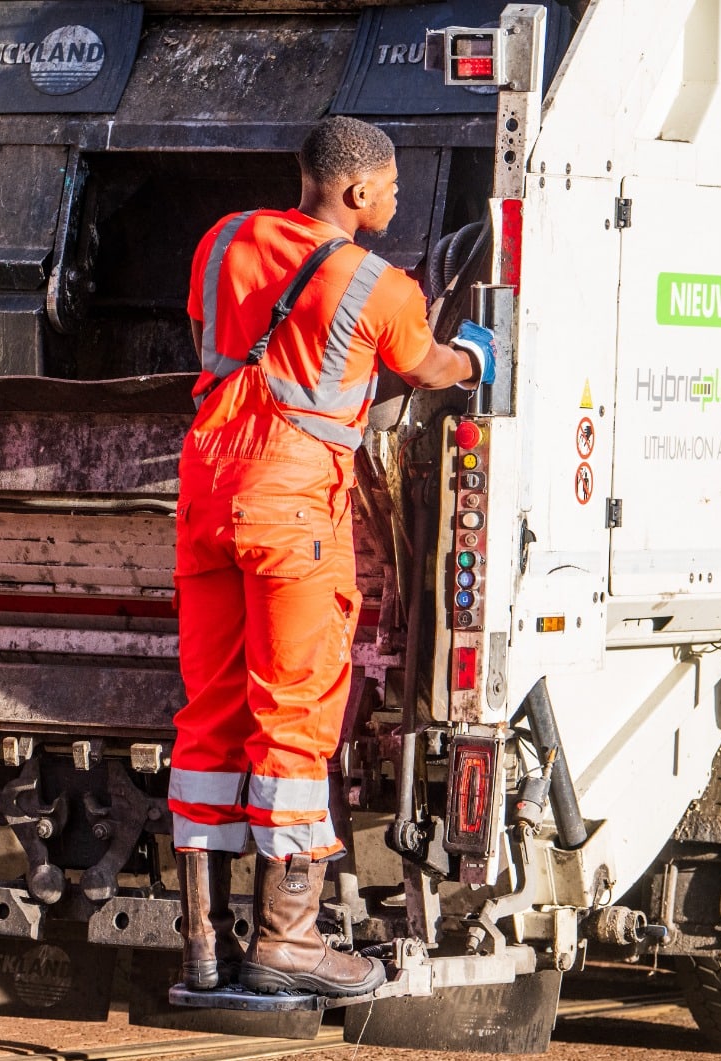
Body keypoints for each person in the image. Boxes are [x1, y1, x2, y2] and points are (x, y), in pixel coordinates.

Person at [168, 116, 493, 997]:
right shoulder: (379, 287)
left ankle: (201, 946)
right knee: (296, 715)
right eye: (388, 189)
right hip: (292, 507)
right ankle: (288, 942)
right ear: (355, 193)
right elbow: (421, 367)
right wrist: (475, 357)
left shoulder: (222, 240)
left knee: (209, 720)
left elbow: (232, 336)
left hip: (204, 493)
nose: (394, 201)